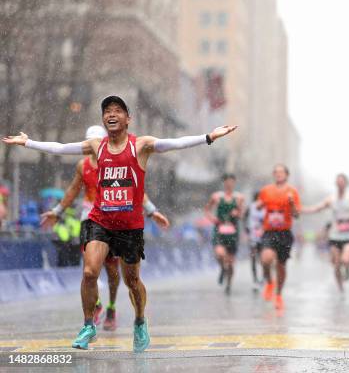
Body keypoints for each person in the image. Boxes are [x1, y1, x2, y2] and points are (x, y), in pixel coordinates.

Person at [3, 95, 236, 351]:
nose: (111, 114)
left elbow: (174, 144)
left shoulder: (141, 145)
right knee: (90, 271)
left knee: (132, 282)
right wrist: (28, 143)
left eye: (117, 110)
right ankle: (88, 325)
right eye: (107, 111)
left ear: (128, 118)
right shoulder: (96, 145)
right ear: (104, 120)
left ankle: (139, 321)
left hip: (129, 226)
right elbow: (61, 147)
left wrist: (209, 137)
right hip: (100, 220)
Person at [40, 125, 169, 331]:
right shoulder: (83, 166)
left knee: (114, 271)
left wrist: (152, 211)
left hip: (117, 218)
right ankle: (95, 307)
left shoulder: (118, 161)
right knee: (89, 270)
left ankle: (111, 307)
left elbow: (136, 191)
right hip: (90, 218)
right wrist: (57, 211)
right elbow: (73, 190)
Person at [302, 174, 349, 292]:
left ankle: (348, 268)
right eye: (338, 181)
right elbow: (317, 208)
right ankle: (340, 288)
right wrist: (302, 209)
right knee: (337, 264)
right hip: (334, 236)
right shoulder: (331, 199)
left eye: (342, 181)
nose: (340, 183)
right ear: (336, 183)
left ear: (346, 183)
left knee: (346, 260)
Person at [257, 164, 301, 310]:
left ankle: (279, 295)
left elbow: (297, 214)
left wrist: (292, 203)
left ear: (287, 175)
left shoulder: (292, 191)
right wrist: (258, 205)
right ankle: (269, 282)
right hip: (269, 231)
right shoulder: (265, 191)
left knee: (281, 265)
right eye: (276, 172)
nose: (278, 174)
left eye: (281, 172)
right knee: (265, 259)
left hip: (284, 233)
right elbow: (258, 206)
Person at [204, 173, 244, 295]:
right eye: (227, 181)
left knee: (231, 263)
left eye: (231, 181)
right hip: (219, 229)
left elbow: (242, 214)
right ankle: (222, 268)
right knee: (220, 254)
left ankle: (229, 284)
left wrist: (237, 213)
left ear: (234, 183)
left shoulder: (239, 198)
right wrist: (212, 219)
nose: (229, 184)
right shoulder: (216, 196)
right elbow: (207, 210)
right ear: (224, 183)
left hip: (233, 231)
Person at [245, 190, 266, 291]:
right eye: (258, 198)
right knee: (253, 258)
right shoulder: (250, 207)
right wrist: (247, 232)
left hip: (265, 236)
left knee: (264, 259)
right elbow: (245, 219)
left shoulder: (267, 207)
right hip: (253, 236)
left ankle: (263, 278)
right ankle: (255, 279)